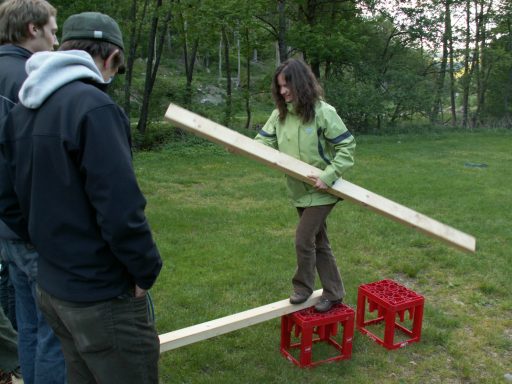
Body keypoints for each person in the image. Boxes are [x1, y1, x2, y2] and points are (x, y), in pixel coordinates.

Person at [0, 11, 163, 383]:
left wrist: (46, 242)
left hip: (53, 288)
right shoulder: (95, 108)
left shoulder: (24, 109)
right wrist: (144, 269)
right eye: (116, 68)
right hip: (101, 295)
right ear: (110, 58)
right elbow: (121, 209)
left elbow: (6, 198)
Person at [255, 58, 356, 313]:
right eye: (279, 87)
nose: (283, 91)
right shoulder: (279, 116)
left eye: (286, 85)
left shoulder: (324, 112)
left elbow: (347, 146)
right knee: (320, 243)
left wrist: (329, 175)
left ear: (300, 83)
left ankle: (303, 287)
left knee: (303, 240)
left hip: (322, 190)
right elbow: (262, 142)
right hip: (299, 192)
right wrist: (240, 145)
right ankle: (334, 293)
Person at [0, 1, 66, 383]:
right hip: (29, 226)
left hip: (7, 228)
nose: (56, 41)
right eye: (53, 31)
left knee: (26, 324)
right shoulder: (26, 79)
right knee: (54, 333)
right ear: (32, 29)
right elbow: (32, 159)